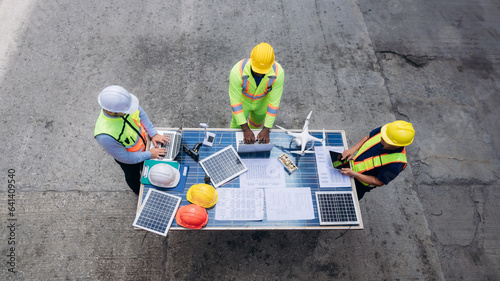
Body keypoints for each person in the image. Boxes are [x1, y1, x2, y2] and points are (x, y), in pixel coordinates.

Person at [94, 85, 170, 195]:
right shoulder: (105, 135)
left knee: (147, 168)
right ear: (110, 111)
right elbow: (125, 158)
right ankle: (138, 192)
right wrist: (149, 154)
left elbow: (141, 113)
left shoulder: (125, 105)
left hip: (146, 147)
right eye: (126, 110)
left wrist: (153, 134)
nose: (131, 110)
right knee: (132, 176)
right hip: (129, 161)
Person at [339, 120, 415, 200]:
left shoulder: (397, 164)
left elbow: (378, 182)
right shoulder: (387, 131)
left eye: (386, 140)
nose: (382, 138)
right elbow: (367, 137)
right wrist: (352, 150)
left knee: (344, 202)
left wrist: (354, 174)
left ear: (396, 145)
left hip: (359, 185)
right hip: (349, 167)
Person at [229, 42, 285, 144]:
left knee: (256, 126)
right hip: (243, 103)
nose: (259, 73)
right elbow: (235, 102)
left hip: (262, 104)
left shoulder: (278, 73)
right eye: (257, 70)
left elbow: (273, 104)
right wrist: (245, 129)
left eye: (263, 71)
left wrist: (266, 129)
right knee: (236, 128)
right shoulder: (237, 72)